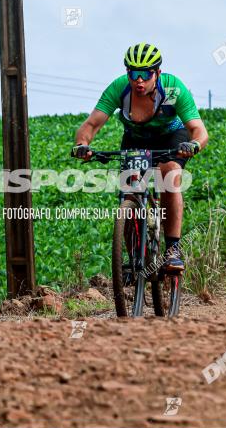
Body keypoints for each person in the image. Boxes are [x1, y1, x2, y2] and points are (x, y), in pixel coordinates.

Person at [71, 43, 208, 271]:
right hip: (136, 138)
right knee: (129, 188)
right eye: (134, 74)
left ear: (158, 73)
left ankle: (173, 248)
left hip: (171, 136)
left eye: (146, 74)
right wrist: (82, 145)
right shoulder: (119, 89)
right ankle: (135, 258)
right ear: (128, 74)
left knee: (169, 175)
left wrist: (193, 145)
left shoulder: (174, 90)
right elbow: (91, 124)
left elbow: (199, 131)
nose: (139, 81)